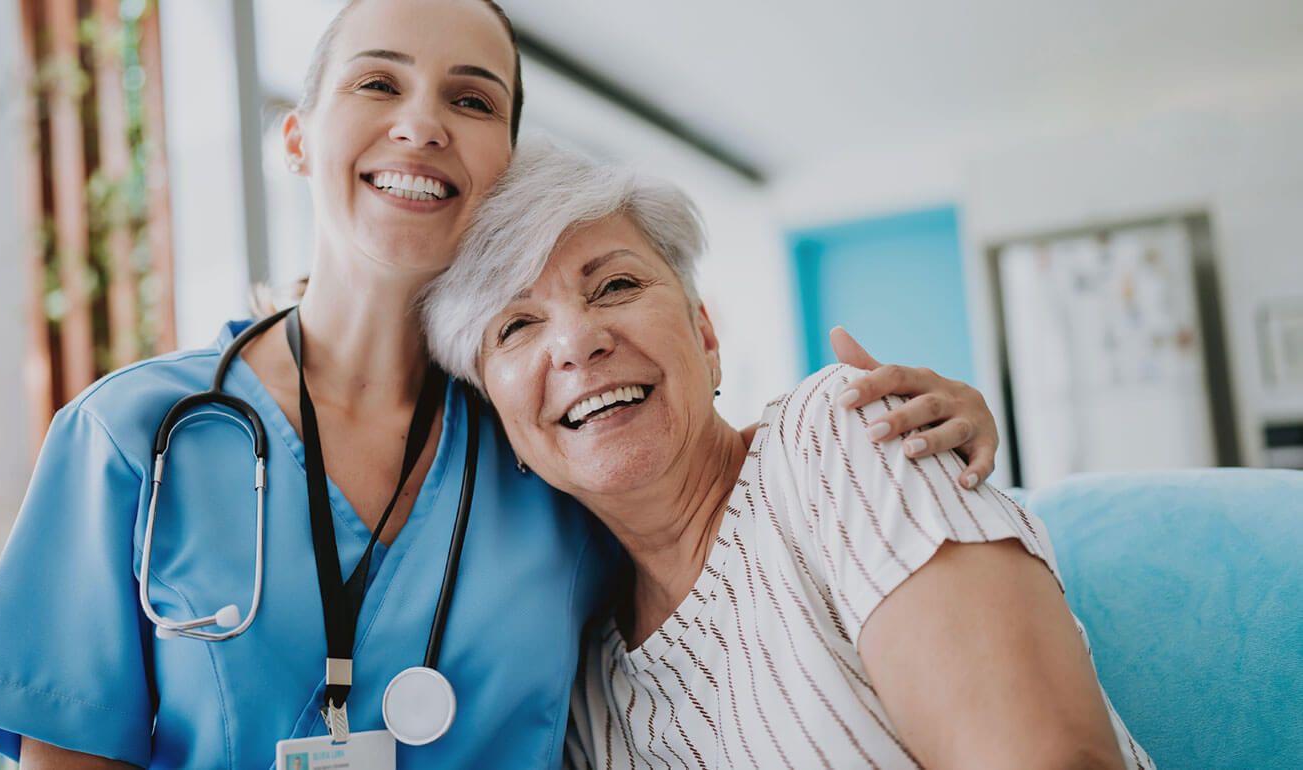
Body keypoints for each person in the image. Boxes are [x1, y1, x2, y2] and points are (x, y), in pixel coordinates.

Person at [0, 1, 1004, 767]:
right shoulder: (135, 436)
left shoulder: (546, 441)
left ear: (501, 163)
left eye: (470, 97)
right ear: (300, 138)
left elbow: (721, 518)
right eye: (377, 81)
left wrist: (886, 433)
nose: (421, 121)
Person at [421, 140, 1153, 769]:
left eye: (615, 285)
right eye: (516, 325)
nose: (577, 341)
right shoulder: (580, 689)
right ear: (498, 416)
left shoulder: (839, 437)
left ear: (705, 338)